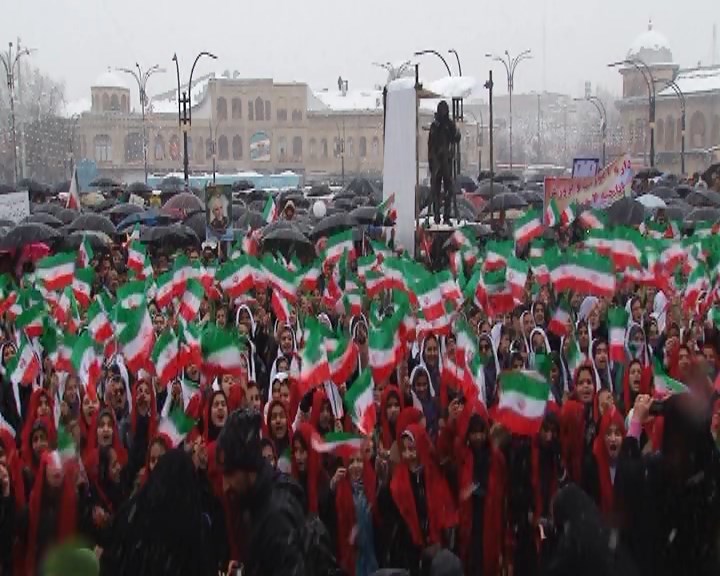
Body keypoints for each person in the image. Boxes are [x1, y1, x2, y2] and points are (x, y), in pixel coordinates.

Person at [217, 409, 307, 576]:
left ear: (249, 467)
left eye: (230, 474)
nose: (225, 486)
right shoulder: (256, 504)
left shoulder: (277, 518)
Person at [427, 100, 460, 225]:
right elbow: (430, 144)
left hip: (446, 161)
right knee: (435, 190)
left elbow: (456, 138)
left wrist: (457, 133)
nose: (444, 112)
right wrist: (432, 161)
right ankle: (436, 215)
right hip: (437, 161)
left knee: (448, 190)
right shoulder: (435, 125)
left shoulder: (449, 124)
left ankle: (446, 216)